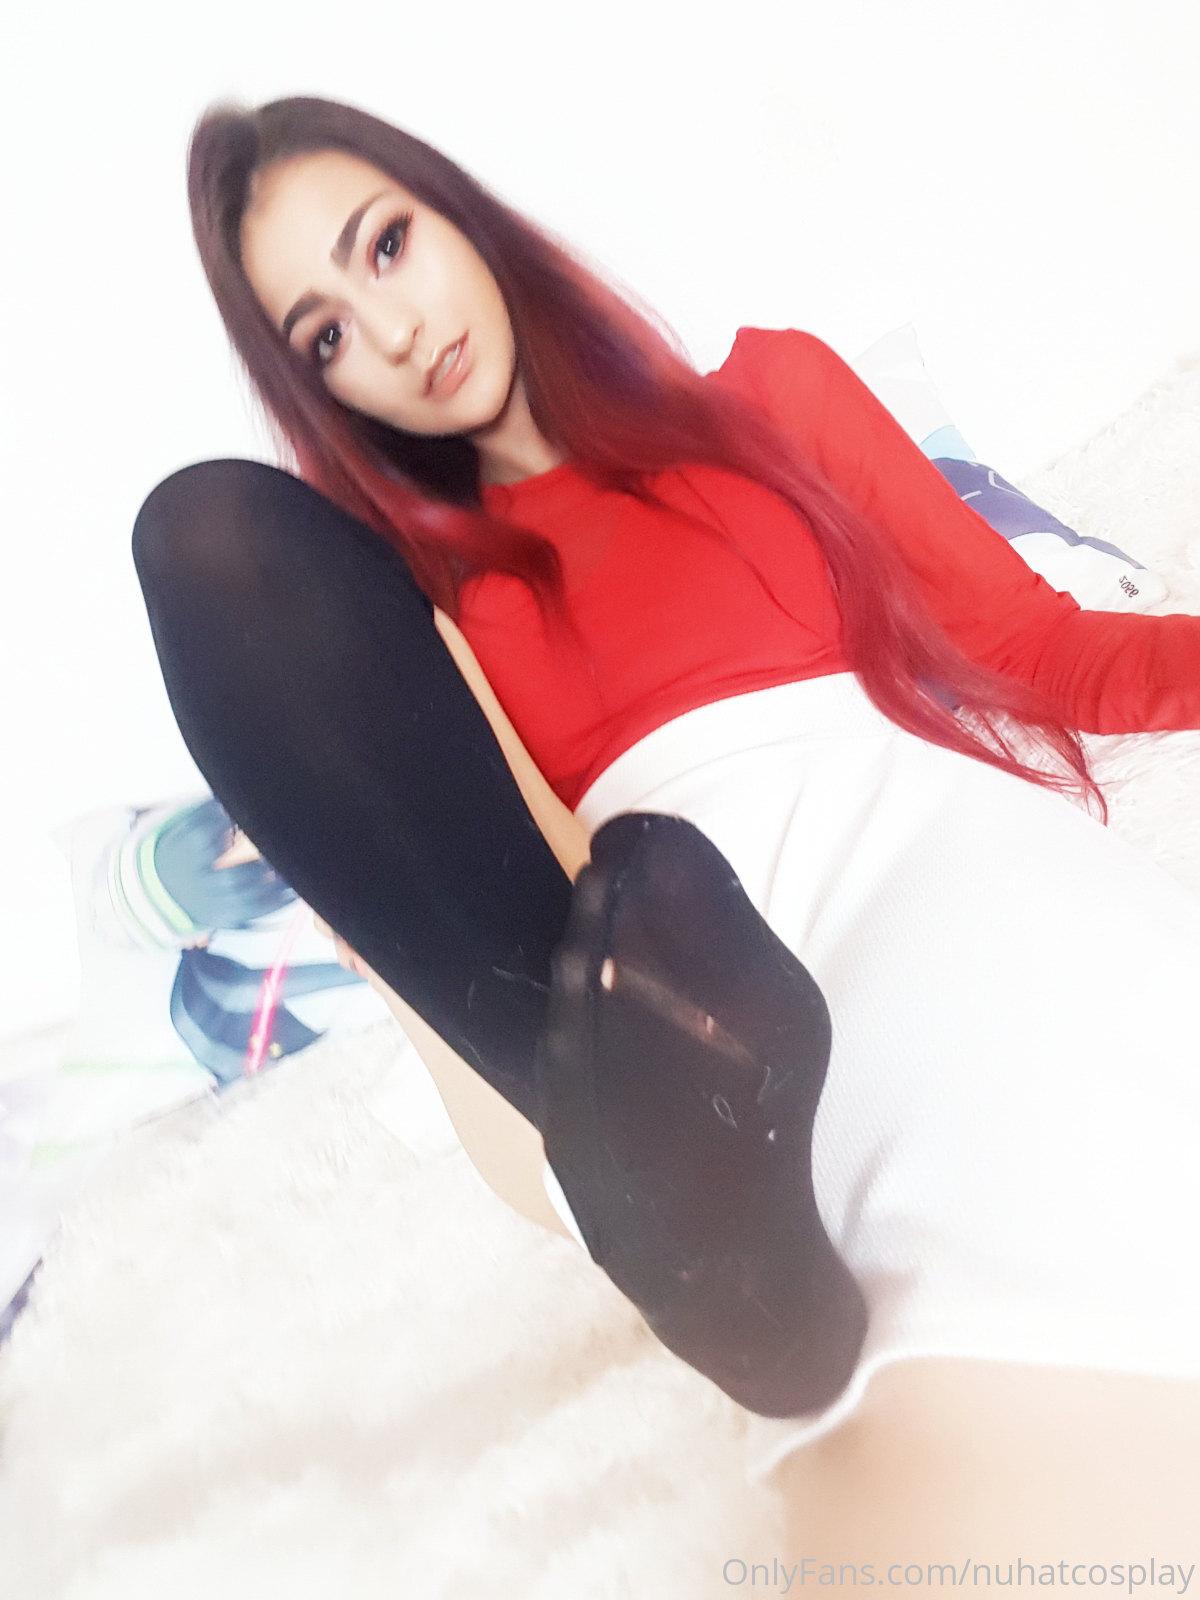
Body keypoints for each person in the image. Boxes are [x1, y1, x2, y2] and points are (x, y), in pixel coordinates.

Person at [132, 95, 1200, 1562]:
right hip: (646, 986)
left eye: (385, 246)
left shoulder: (771, 396)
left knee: (1045, 1251)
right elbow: (496, 912)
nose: (392, 331)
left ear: (458, 214)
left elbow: (1041, 647)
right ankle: (681, 1214)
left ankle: (742, 1285)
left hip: (891, 847)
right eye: (325, 339)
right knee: (207, 536)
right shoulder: (415, 609)